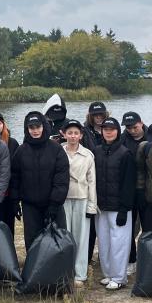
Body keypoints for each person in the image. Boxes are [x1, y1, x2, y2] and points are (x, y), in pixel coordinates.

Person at [10, 111, 69, 252]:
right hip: (30, 206)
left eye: (38, 127)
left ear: (44, 127)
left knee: (57, 241)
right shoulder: (21, 151)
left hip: (53, 204)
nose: (35, 131)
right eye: (31, 127)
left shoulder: (56, 149)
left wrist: (54, 204)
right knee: (32, 242)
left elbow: (61, 179)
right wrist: (14, 202)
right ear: (27, 129)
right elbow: (15, 178)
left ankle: (59, 267)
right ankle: (34, 266)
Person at [94, 117, 136, 290]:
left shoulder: (125, 153)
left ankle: (119, 278)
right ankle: (109, 274)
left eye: (111, 129)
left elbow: (129, 184)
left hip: (119, 208)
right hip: (101, 206)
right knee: (104, 243)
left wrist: (124, 209)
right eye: (105, 129)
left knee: (119, 243)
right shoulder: (96, 151)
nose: (108, 132)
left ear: (117, 131)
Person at [61, 119, 97, 287]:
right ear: (64, 134)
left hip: (82, 197)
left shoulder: (88, 155)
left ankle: (80, 273)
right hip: (64, 198)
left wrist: (92, 206)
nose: (73, 136)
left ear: (81, 135)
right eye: (70, 133)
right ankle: (65, 271)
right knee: (65, 235)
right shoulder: (59, 151)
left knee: (81, 238)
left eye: (76, 133)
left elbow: (92, 182)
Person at [120, 111, 148, 275]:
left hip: (149, 190)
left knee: (149, 227)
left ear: (141, 123)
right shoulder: (122, 140)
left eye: (135, 127)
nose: (132, 130)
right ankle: (131, 259)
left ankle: (148, 259)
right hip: (130, 189)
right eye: (128, 128)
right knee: (129, 229)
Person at [82, 101, 110, 264]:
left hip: (107, 180)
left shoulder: (111, 129)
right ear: (90, 116)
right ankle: (87, 257)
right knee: (90, 222)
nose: (98, 117)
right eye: (95, 115)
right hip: (90, 180)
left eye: (101, 114)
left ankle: (104, 256)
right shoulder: (84, 132)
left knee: (106, 222)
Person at [0, 112, 20, 235]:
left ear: (3, 124)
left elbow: (17, 168)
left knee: (8, 226)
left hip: (8, 192)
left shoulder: (12, 143)